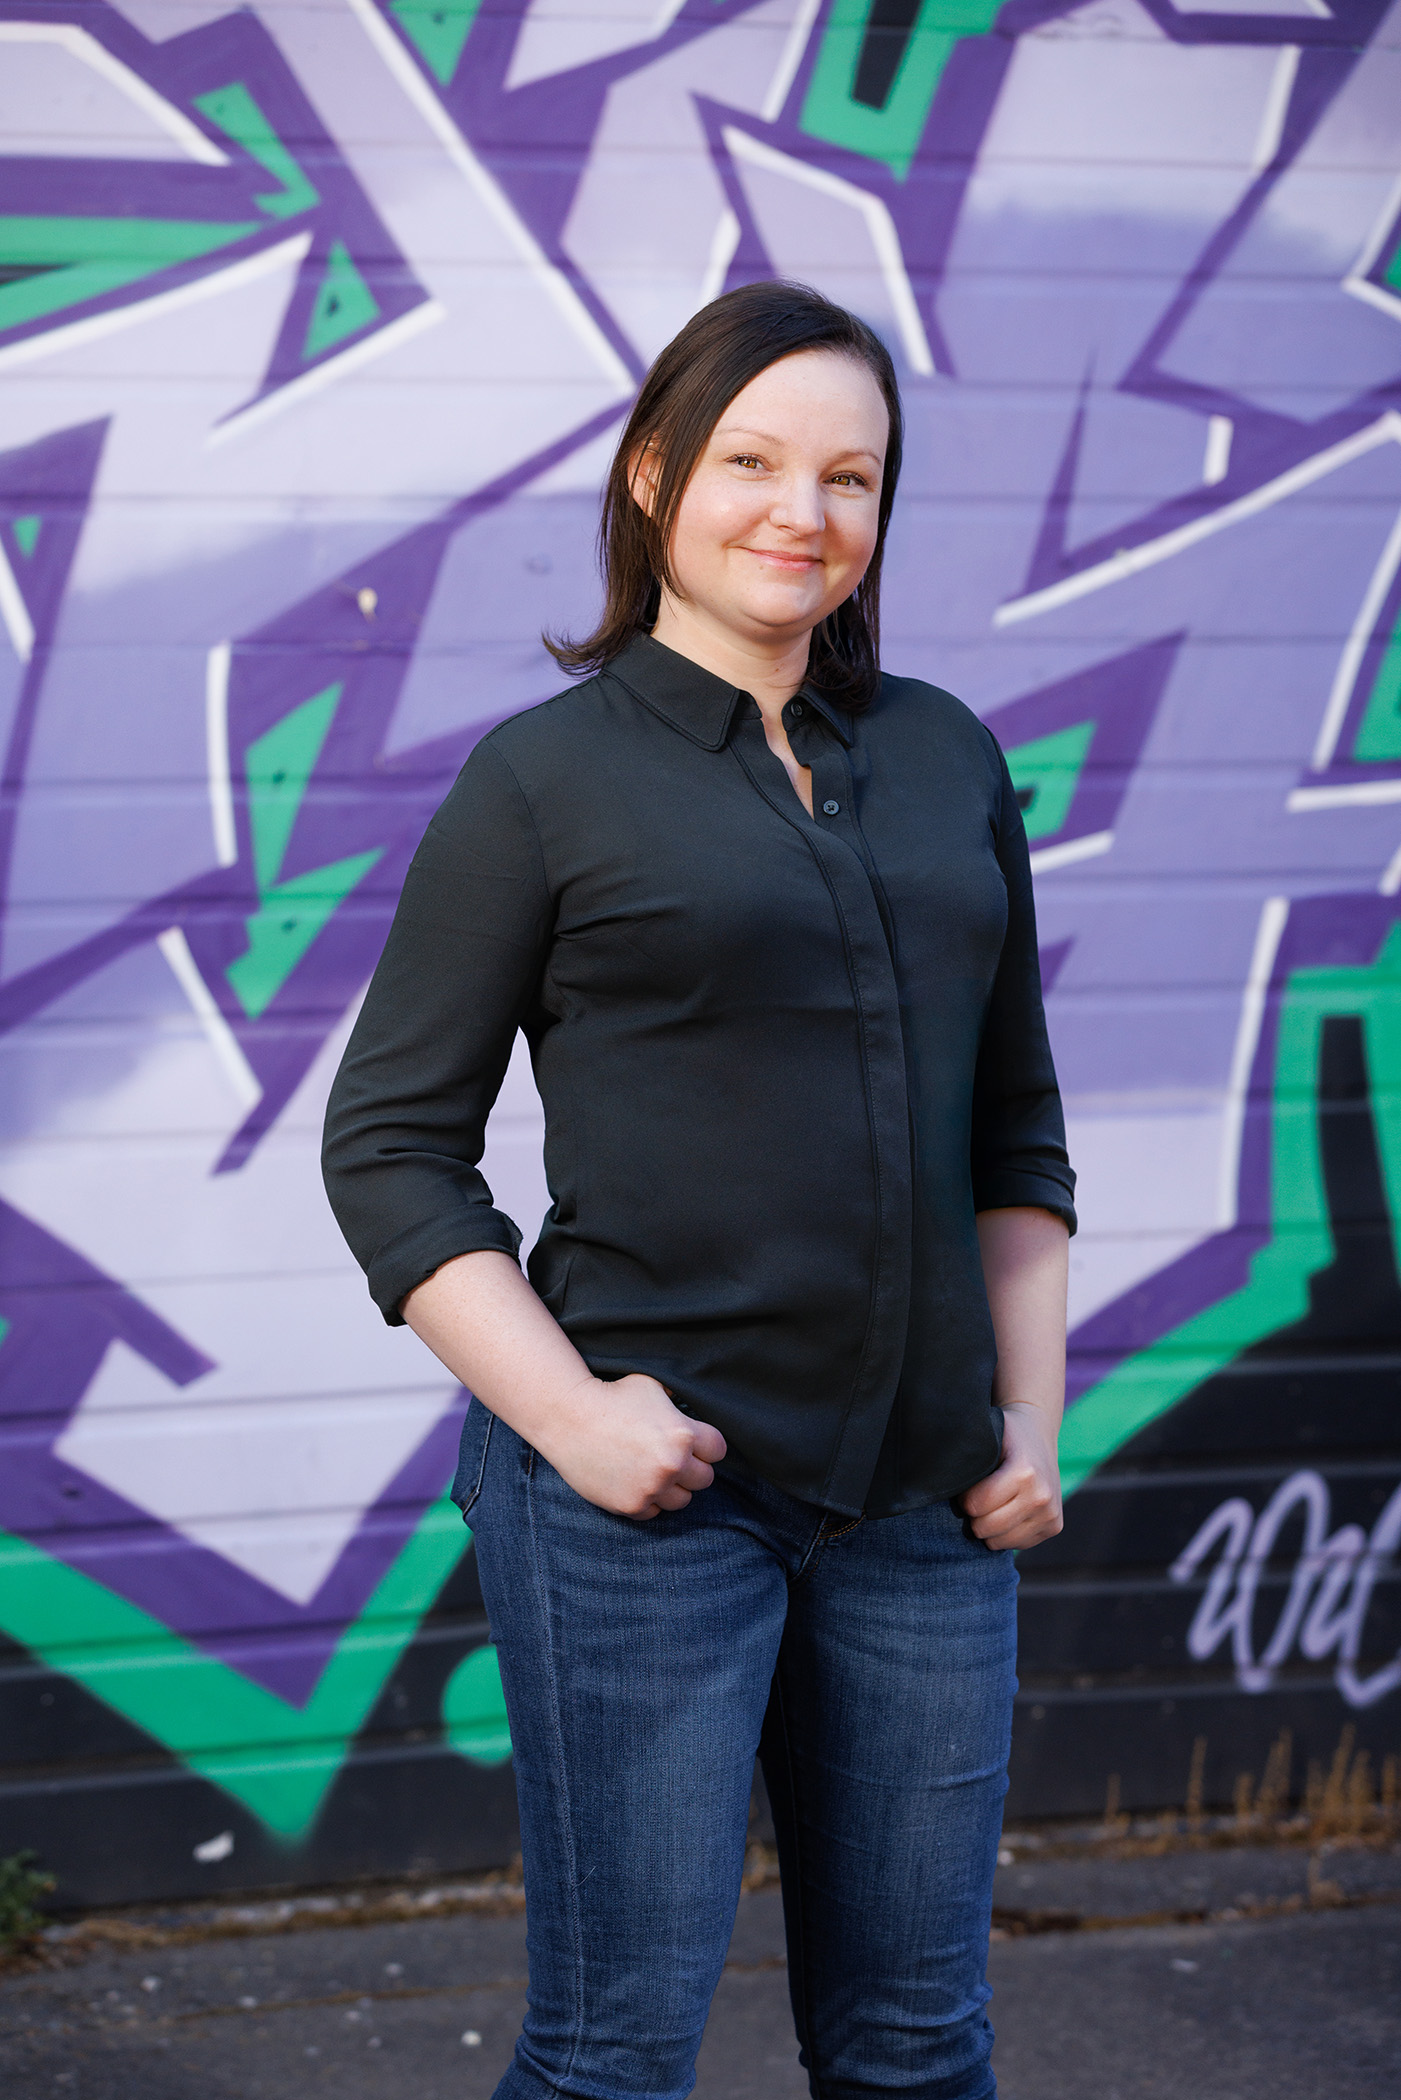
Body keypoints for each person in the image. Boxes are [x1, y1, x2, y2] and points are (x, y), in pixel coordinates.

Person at [321, 278, 1075, 2100]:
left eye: (849, 475)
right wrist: (573, 1422)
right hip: (641, 1514)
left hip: (926, 1510)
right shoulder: (541, 783)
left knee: (915, 2045)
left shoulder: (948, 761)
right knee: (614, 2056)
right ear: (656, 474)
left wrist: (1028, 1420)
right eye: (749, 458)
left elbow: (1017, 1132)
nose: (798, 512)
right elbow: (390, 1145)